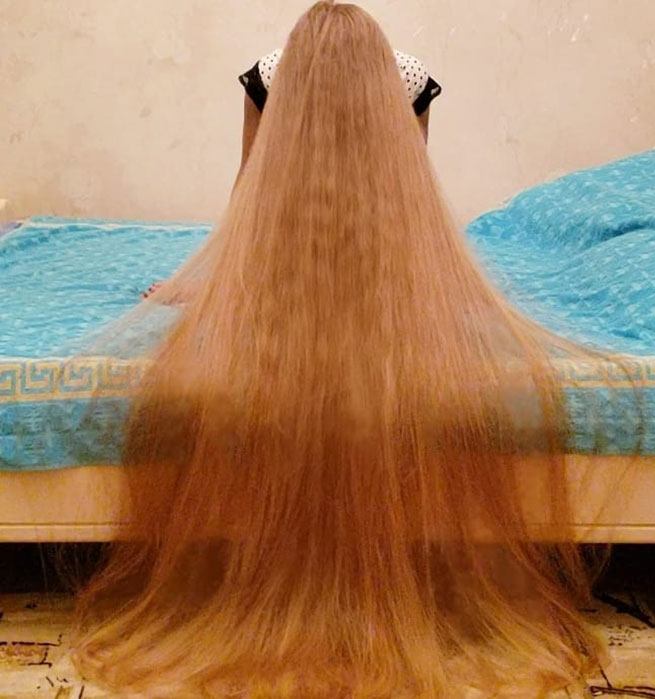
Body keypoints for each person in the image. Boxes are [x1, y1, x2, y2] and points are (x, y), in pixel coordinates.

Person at [73, 2, 613, 697]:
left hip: (376, 250)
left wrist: (430, 287)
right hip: (288, 246)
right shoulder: (268, 75)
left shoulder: (408, 79)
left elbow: (407, 199)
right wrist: (206, 283)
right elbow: (252, 192)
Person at [141, 42, 441, 299]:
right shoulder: (270, 77)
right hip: (297, 203)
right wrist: (220, 283)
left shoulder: (407, 78)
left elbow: (411, 182)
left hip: (374, 203)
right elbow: (249, 178)